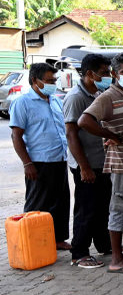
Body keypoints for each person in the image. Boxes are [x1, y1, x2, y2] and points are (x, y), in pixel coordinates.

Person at [79, 52, 123, 274]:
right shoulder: (108, 96)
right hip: (122, 163)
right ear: (114, 74)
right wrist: (110, 134)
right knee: (120, 209)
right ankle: (117, 259)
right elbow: (84, 121)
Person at [9, 63, 71, 251]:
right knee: (38, 203)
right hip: (38, 162)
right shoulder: (22, 102)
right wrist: (27, 163)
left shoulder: (55, 100)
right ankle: (34, 243)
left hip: (59, 159)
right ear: (35, 80)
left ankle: (58, 239)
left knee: (60, 202)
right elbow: (16, 135)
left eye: (54, 80)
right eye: (49, 80)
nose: (53, 83)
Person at [63, 53, 113, 268]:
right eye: (104, 73)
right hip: (86, 163)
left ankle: (104, 244)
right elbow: (71, 134)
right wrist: (84, 167)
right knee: (86, 208)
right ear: (90, 74)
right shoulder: (76, 97)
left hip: (101, 161)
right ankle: (79, 252)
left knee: (103, 206)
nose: (109, 76)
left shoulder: (99, 92)